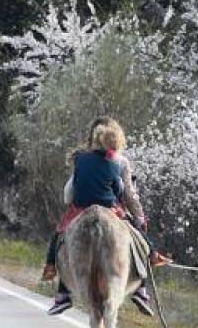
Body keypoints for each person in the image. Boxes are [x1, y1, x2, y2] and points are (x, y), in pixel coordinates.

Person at [42, 117, 168, 316]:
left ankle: (61, 290)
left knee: (60, 237)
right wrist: (140, 217)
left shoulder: (80, 158)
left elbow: (68, 193)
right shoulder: (119, 162)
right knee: (137, 237)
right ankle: (141, 287)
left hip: (80, 209)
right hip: (110, 209)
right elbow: (127, 194)